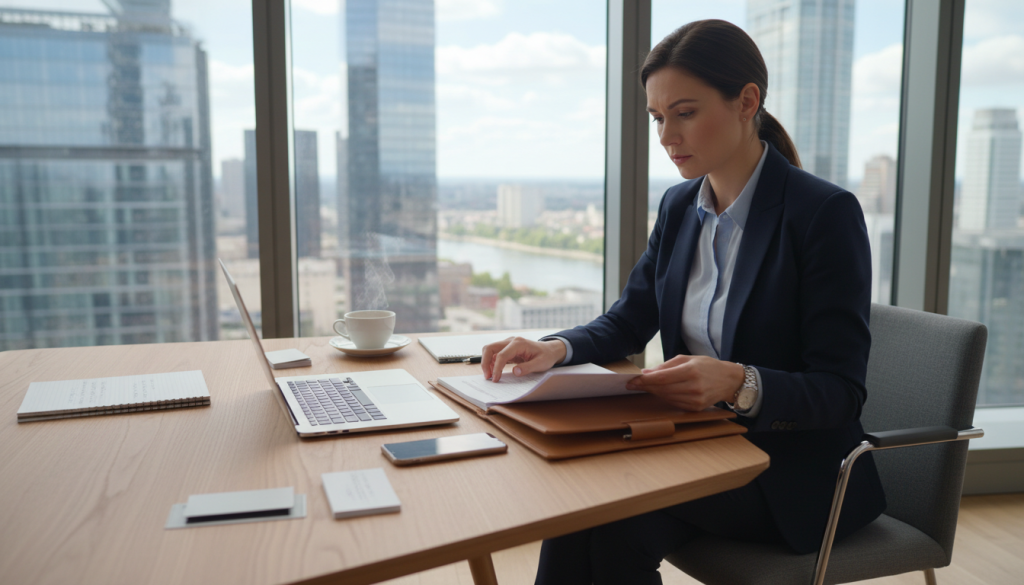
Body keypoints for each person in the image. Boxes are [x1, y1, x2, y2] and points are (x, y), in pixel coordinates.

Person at [480, 19, 887, 585]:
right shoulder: (678, 208)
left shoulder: (822, 215)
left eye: (685, 112)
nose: (667, 136)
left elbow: (842, 392)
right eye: (657, 118)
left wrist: (738, 382)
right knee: (585, 510)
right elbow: (629, 320)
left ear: (748, 102)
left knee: (610, 516)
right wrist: (555, 347)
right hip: (695, 446)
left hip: (791, 474)